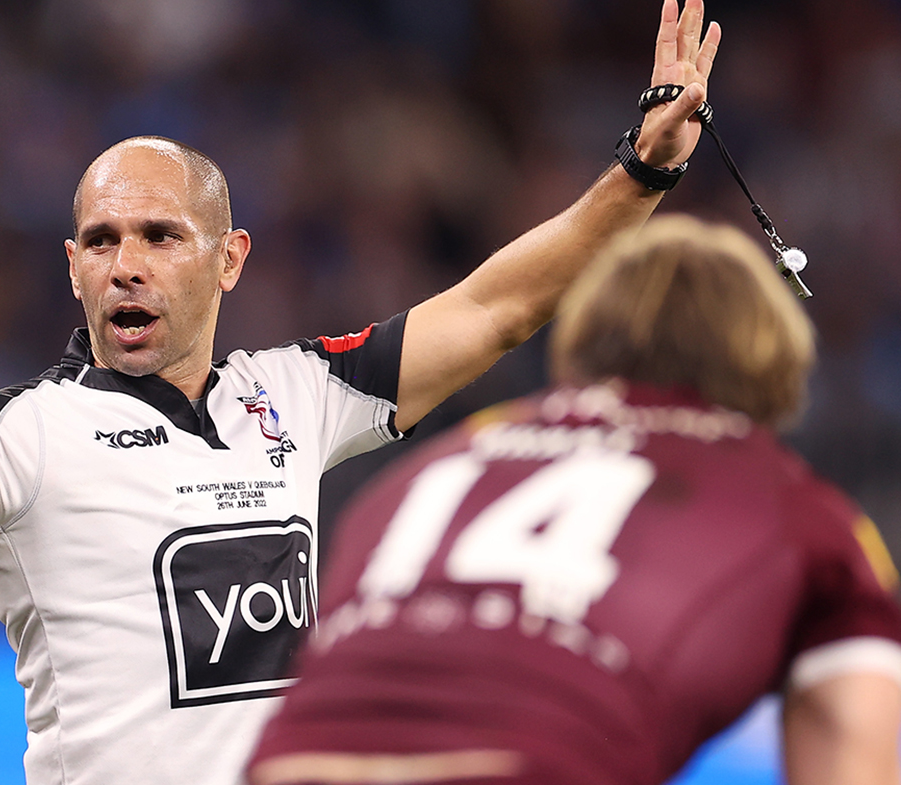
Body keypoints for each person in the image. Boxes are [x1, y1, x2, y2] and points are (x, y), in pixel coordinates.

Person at [0, 2, 722, 782]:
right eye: (102, 239)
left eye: (160, 235)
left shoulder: (299, 391)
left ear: (228, 257)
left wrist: (639, 174)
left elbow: (495, 308)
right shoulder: (20, 431)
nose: (127, 262)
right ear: (71, 264)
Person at [245, 214, 901, 785]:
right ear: (772, 360)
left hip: (290, 762)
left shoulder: (428, 468)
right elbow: (851, 749)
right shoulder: (797, 508)